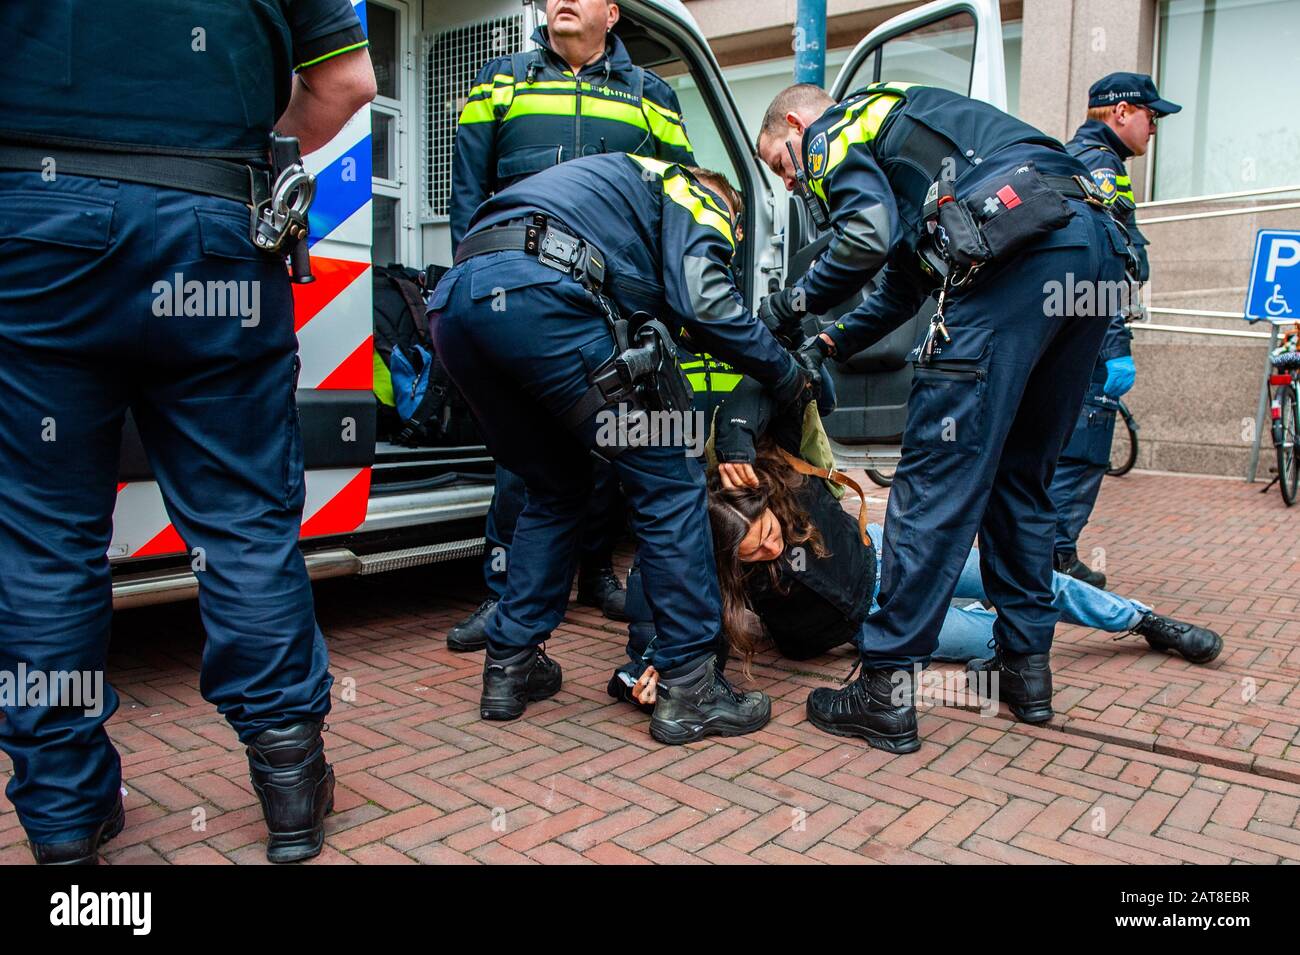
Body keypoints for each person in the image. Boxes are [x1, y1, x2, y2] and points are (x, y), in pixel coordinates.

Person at [0, 2, 375, 863]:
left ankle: (64, 818)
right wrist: (221, 109)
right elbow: (348, 82)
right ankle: (291, 787)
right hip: (212, 219)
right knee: (244, 520)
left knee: (42, 539)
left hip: (31, 225)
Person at [753, 80, 1131, 747]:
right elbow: (901, 281)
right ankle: (1024, 669)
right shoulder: (917, 145)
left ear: (795, 123)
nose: (791, 182)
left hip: (1014, 247)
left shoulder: (835, 128)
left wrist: (791, 306)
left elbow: (863, 237)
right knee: (1021, 478)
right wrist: (831, 340)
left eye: (781, 163)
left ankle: (885, 688)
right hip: (1086, 247)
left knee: (934, 479)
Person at [430, 151, 812, 743]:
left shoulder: (613, 193)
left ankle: (510, 664)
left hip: (457, 306)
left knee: (554, 486)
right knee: (670, 475)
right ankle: (691, 684)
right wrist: (785, 373)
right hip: (542, 294)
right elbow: (703, 300)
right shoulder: (693, 188)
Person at [614, 381, 1222, 729]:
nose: (771, 547)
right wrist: (643, 674)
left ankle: (1143, 620)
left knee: (1026, 579)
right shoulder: (720, 572)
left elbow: (774, 377)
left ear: (768, 500)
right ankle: (1005, 640)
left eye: (771, 532)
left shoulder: (778, 472)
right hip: (875, 625)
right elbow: (668, 606)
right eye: (757, 553)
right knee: (997, 637)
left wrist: (737, 436)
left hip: (893, 555)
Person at [447, 0, 697, 644]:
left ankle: (595, 574)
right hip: (525, 295)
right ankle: (503, 596)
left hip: (610, 300)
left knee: (614, 455)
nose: (561, 0)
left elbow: (679, 197)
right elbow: (468, 195)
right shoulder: (500, 82)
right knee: (525, 468)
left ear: (611, 13)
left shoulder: (652, 95)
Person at [1049, 73, 1181, 588]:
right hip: (1088, 340)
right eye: (1152, 116)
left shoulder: (1087, 159)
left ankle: (1053, 554)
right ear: (1122, 111)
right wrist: (1115, 347)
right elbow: (1102, 265)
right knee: (1080, 453)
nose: (1154, 128)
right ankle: (1053, 560)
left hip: (1075, 334)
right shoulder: (1098, 164)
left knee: (1069, 451)